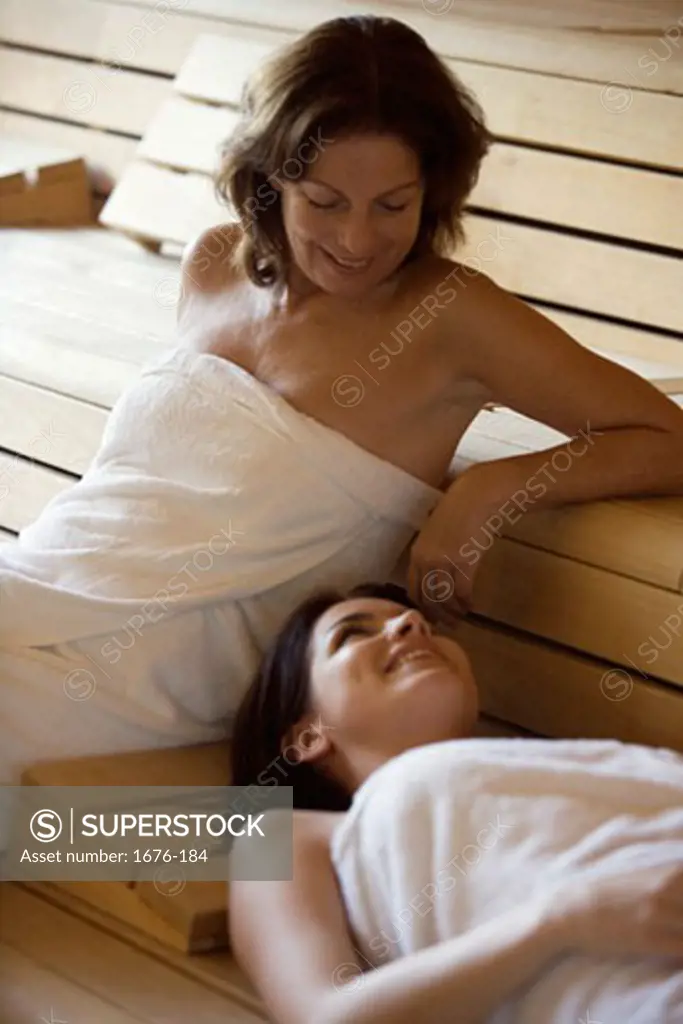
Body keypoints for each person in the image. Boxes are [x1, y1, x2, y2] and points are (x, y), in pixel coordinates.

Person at [1, 14, 683, 786]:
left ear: (434, 191)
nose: (357, 241)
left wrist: (485, 492)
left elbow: (666, 435)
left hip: (149, 683)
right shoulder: (215, 264)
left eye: (392, 205)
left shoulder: (453, 319)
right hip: (43, 585)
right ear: (269, 179)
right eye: (324, 201)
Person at [228, 580, 683, 1024]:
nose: (412, 623)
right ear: (307, 736)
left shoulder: (581, 764)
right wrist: (564, 917)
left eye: (423, 622)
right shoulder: (292, 834)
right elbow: (324, 1015)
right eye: (353, 634)